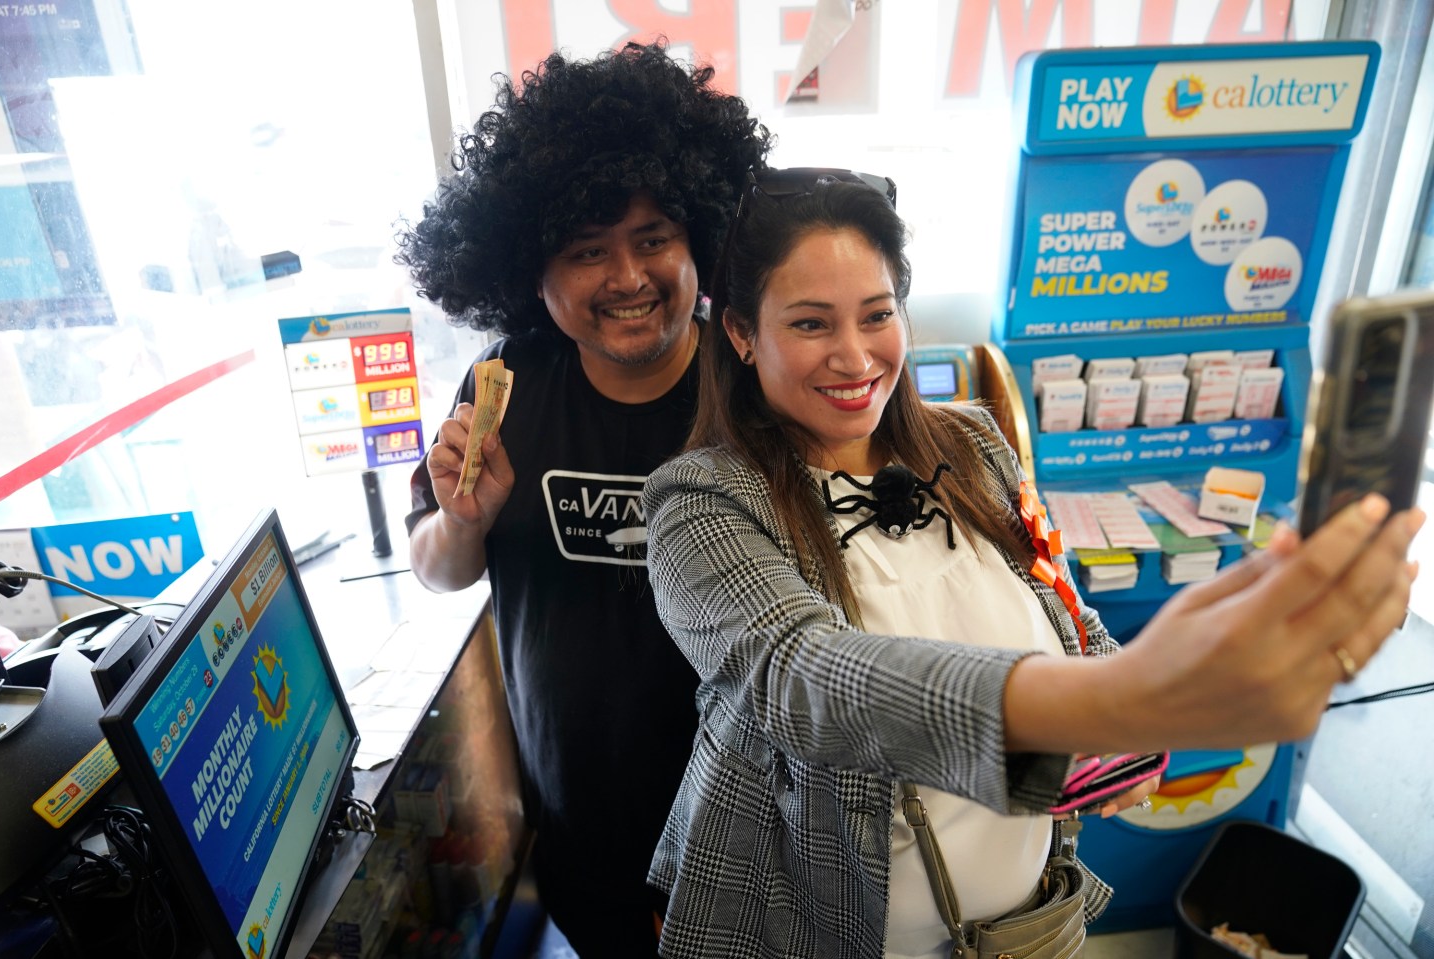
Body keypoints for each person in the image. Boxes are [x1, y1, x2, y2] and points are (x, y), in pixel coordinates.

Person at [641, 168, 1423, 958]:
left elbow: (1066, 615)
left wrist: (1132, 722)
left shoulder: (973, 446)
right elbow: (804, 679)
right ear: (741, 333)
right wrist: (1118, 696)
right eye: (811, 324)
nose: (855, 356)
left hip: (1026, 928)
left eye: (877, 315)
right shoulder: (701, 501)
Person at [394, 41, 773, 956]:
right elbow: (440, 569)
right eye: (587, 251)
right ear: (533, 271)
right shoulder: (505, 384)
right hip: (581, 819)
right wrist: (464, 519)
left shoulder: (758, 383)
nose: (629, 277)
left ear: (704, 237)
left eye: (654, 239)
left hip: (750, 821)